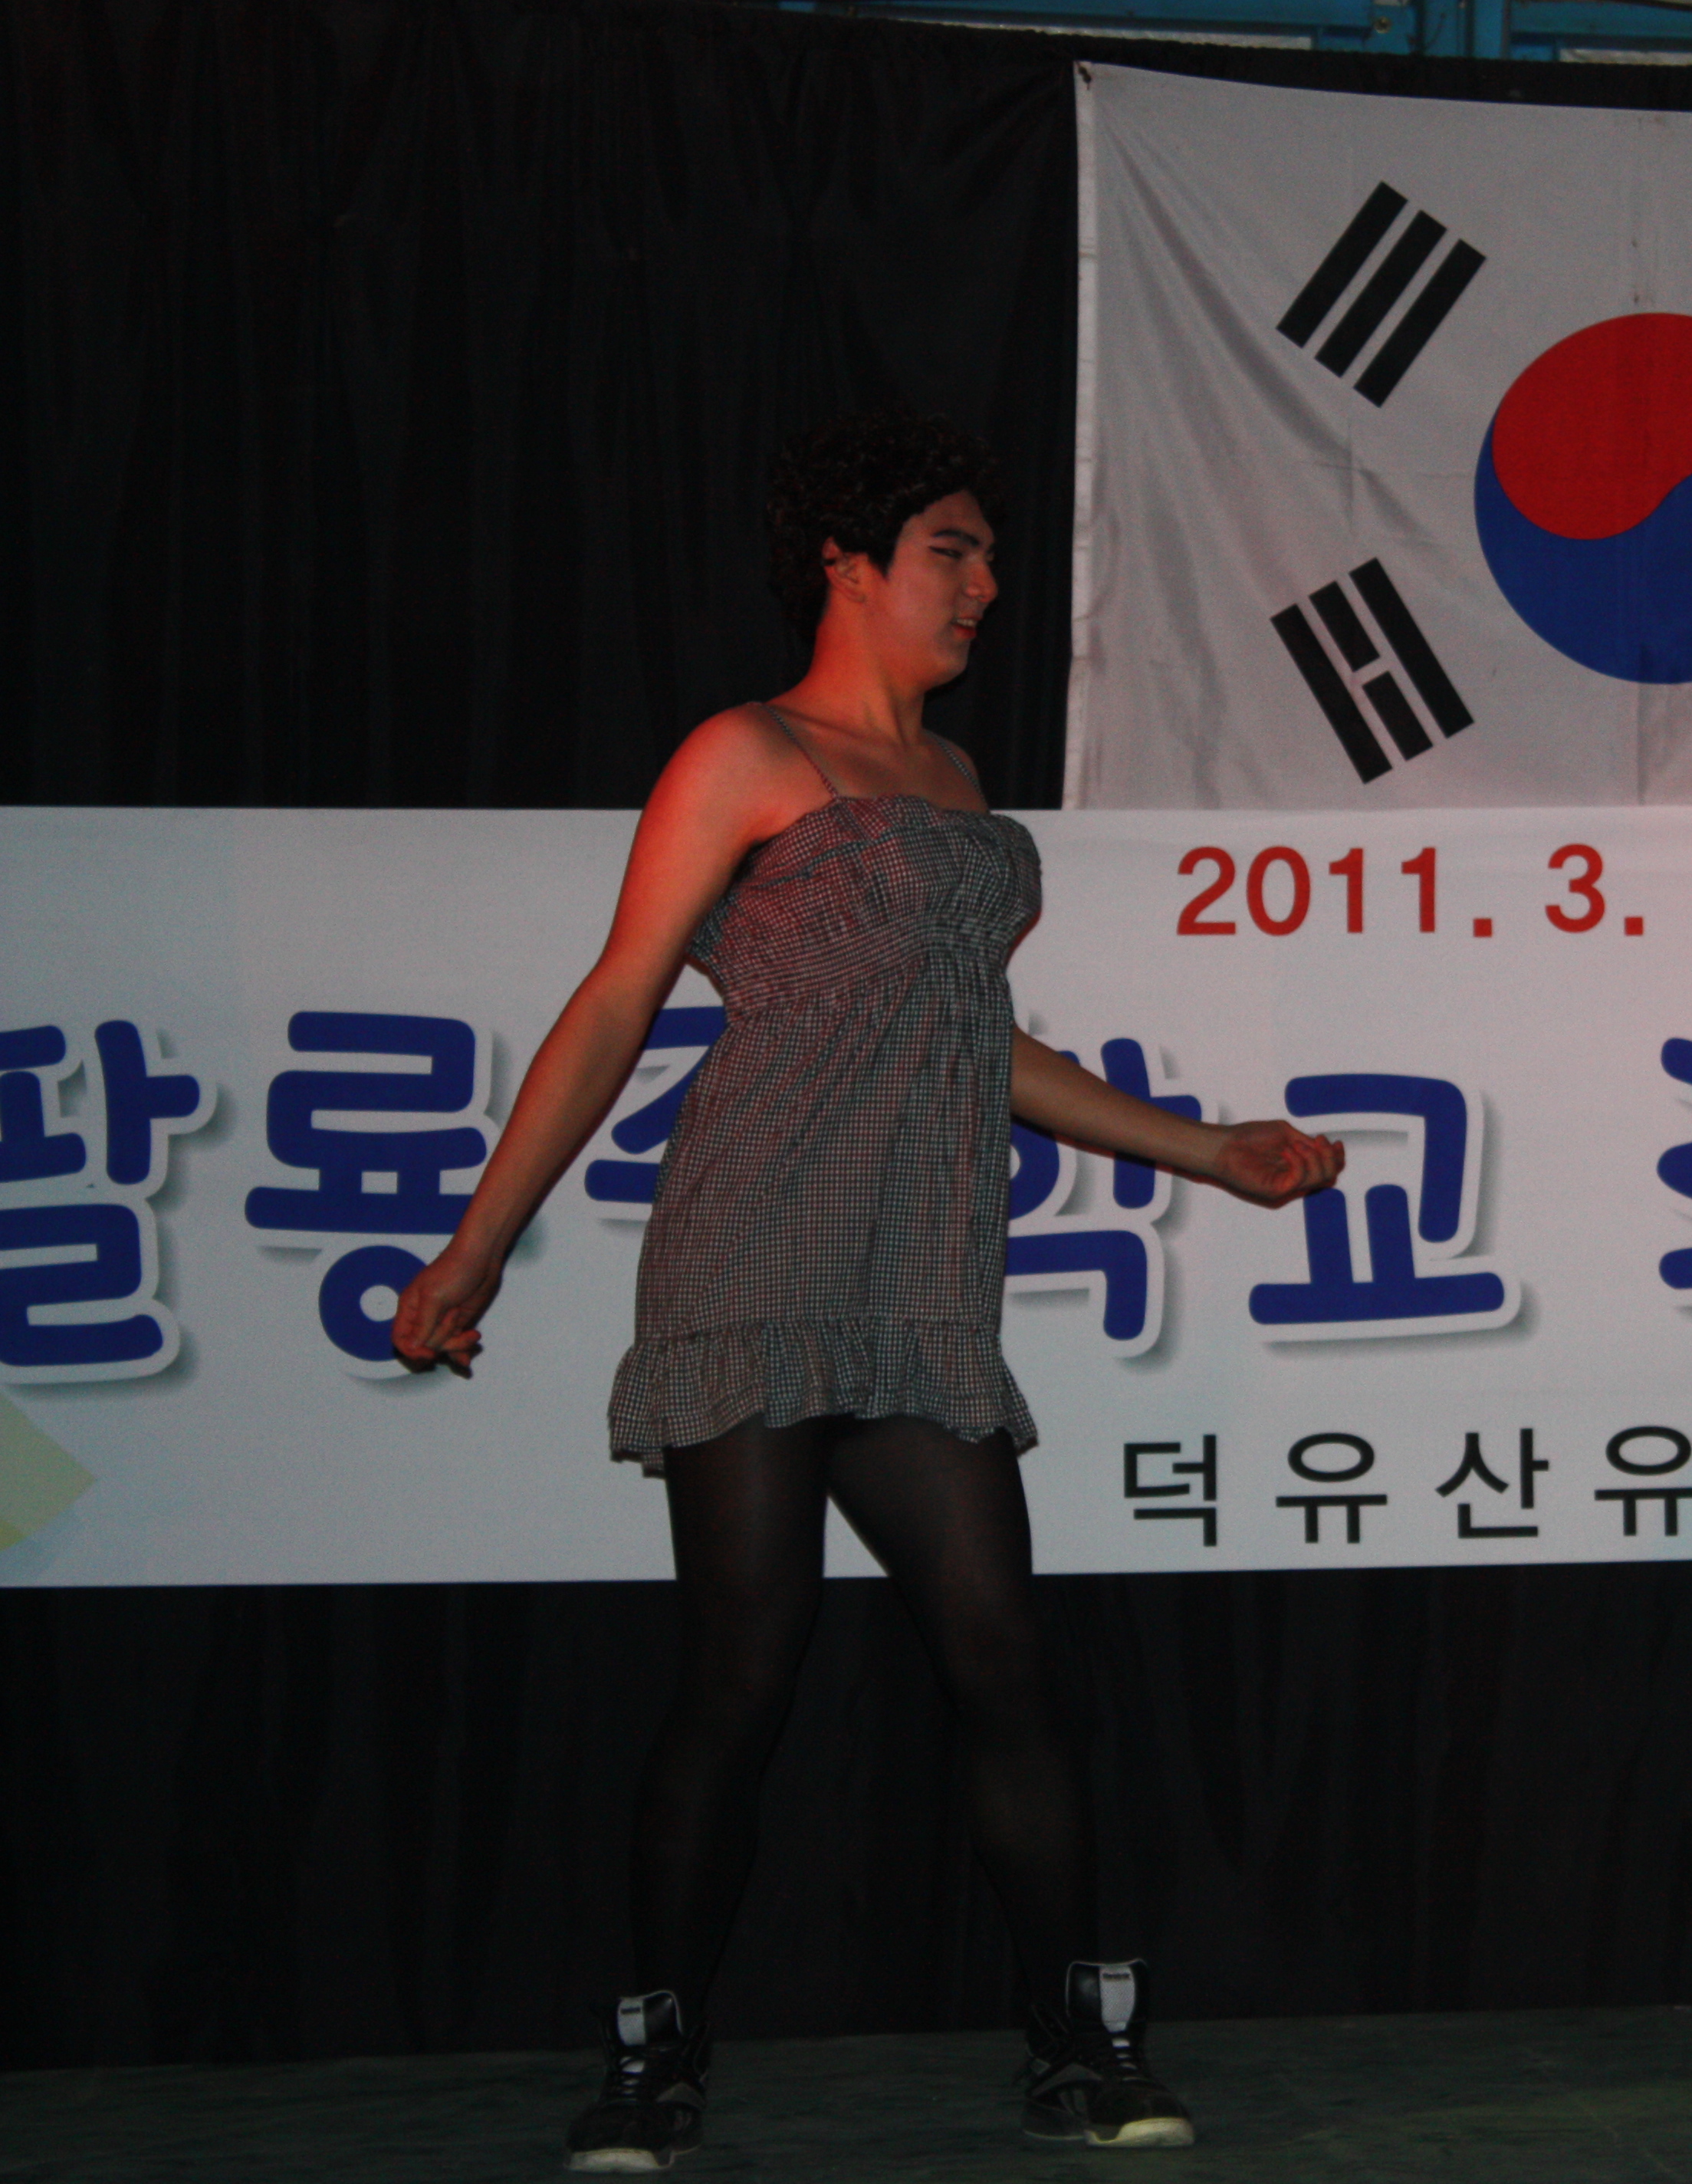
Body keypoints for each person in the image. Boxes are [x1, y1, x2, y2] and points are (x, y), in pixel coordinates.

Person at [392, 411, 1342, 2172]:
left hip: (916, 1278)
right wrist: (476, 1245)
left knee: (1006, 1659)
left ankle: (1073, 2038)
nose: (983, 585)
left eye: (989, 556)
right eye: (951, 552)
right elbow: (617, 999)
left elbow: (983, 1041)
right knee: (742, 1669)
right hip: (756, 1247)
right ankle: (656, 2050)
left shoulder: (957, 778)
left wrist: (1207, 1148)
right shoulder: (745, 752)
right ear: (847, 564)